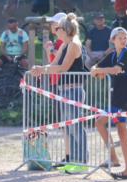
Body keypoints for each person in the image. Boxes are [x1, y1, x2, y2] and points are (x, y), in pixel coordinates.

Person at [30, 13, 88, 166]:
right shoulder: (65, 44)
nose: (55, 31)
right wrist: (41, 68)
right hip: (65, 90)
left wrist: (42, 70)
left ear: (65, 29)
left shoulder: (74, 44)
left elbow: (63, 67)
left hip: (74, 90)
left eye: (58, 28)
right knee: (68, 128)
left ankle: (82, 161)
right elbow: (54, 64)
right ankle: (74, 160)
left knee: (75, 128)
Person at [91, 26, 127, 179]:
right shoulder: (112, 55)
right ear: (113, 40)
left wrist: (100, 71)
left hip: (124, 98)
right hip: (115, 97)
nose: (124, 40)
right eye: (120, 38)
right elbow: (96, 67)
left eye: (125, 38)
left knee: (120, 130)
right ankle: (115, 159)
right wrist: (96, 70)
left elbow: (116, 70)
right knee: (103, 124)